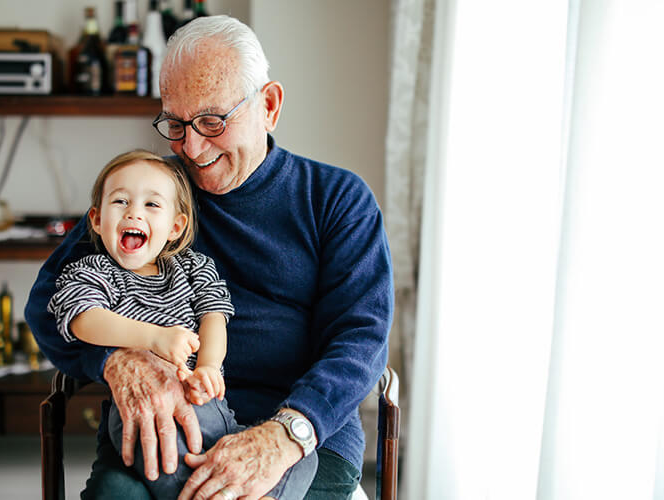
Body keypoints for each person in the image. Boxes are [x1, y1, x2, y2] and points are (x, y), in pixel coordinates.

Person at [25, 14, 393, 500]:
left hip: (298, 433)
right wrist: (117, 357)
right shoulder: (152, 194)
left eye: (212, 121)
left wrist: (285, 436)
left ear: (269, 106)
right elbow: (49, 300)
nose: (192, 148)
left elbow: (360, 339)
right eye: (175, 124)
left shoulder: (337, 199)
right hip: (164, 423)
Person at [46, 150, 317, 499]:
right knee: (165, 455)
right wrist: (153, 338)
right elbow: (83, 319)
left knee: (302, 458)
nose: (134, 212)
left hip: (210, 405)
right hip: (143, 411)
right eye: (120, 201)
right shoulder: (94, 271)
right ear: (97, 220)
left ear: (176, 226)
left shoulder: (193, 268)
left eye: (151, 205)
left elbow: (214, 317)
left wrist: (208, 366)